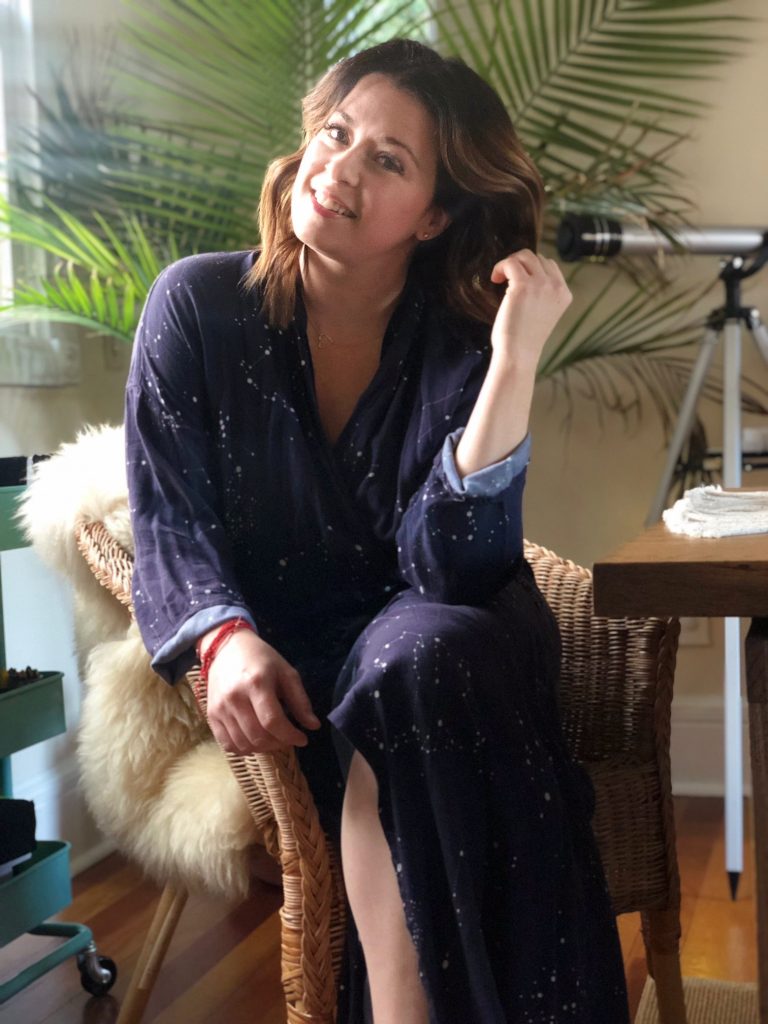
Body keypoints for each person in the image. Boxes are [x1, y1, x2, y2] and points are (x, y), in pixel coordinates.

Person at [125, 38, 630, 1024]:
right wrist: (221, 636)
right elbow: (168, 515)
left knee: (414, 658)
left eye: (388, 159)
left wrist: (514, 361)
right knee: (395, 682)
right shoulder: (197, 306)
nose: (341, 168)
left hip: (454, 644)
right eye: (336, 133)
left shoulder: (461, 339)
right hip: (297, 668)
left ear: (435, 215)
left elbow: (452, 566)